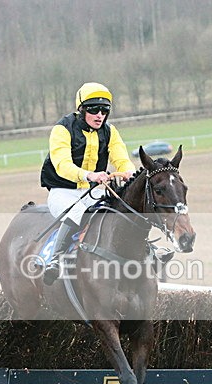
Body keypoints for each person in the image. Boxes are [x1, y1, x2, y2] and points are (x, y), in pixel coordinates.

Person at [40, 82, 136, 284]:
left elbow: (121, 157)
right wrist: (89, 175)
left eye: (104, 110)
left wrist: (128, 171)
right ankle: (55, 260)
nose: (100, 115)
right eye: (94, 110)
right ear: (82, 110)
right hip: (62, 191)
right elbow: (62, 165)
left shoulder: (110, 131)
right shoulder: (62, 129)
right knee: (76, 214)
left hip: (91, 193)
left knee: (121, 211)